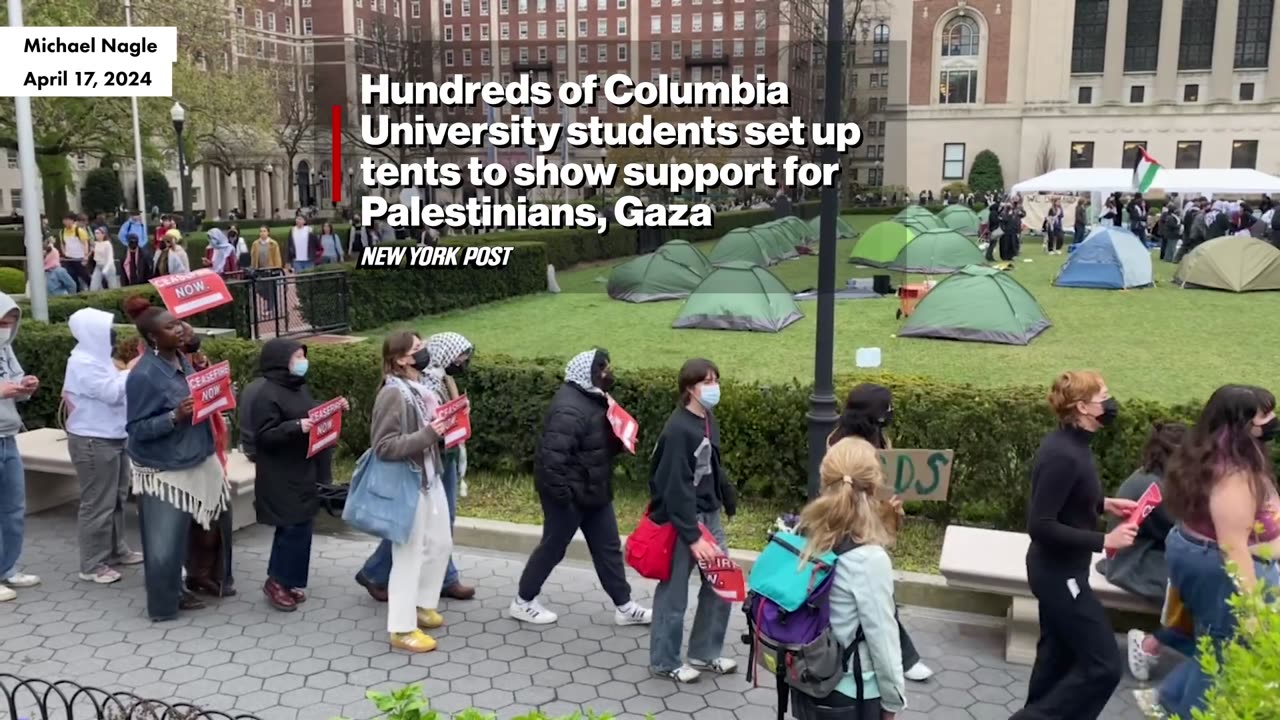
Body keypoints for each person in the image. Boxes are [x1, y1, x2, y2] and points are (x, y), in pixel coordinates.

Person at [1141, 385, 1280, 719]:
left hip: (1201, 557)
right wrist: (1252, 609)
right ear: (1241, 423)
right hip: (1222, 569)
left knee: (1213, 644)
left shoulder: (1210, 452)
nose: (1272, 421)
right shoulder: (1232, 474)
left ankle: (1165, 700)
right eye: (1265, 416)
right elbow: (1233, 546)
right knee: (1223, 656)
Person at [1010, 371, 1139, 720]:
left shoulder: (1072, 445)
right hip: (1058, 574)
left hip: (1064, 570)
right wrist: (1105, 540)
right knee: (1104, 665)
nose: (1110, 403)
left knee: (1056, 656)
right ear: (1082, 407)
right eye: (1104, 397)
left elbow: (1068, 498)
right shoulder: (1064, 454)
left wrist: (1103, 504)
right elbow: (1041, 524)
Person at [509, 349, 653, 627]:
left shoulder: (595, 399)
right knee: (553, 547)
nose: (607, 373)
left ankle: (624, 606)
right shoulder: (570, 408)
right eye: (602, 369)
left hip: (594, 490)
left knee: (608, 548)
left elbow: (593, 444)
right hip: (571, 495)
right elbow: (551, 460)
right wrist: (564, 497)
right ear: (587, 374)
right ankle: (523, 602)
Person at [122, 300, 231, 621]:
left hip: (200, 456)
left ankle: (202, 576)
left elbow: (198, 400)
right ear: (154, 338)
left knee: (213, 526)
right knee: (164, 543)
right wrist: (174, 416)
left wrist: (217, 395)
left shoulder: (185, 360)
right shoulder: (143, 376)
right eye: (171, 326)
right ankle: (167, 600)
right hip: (165, 468)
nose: (181, 328)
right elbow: (136, 429)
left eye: (180, 322)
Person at [790, 437, 906, 720]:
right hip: (851, 691)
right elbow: (883, 642)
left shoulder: (806, 533)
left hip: (806, 677)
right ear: (874, 486)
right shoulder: (869, 559)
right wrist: (893, 701)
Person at [825, 383, 934, 683]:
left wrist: (894, 499)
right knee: (877, 598)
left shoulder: (880, 438)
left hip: (877, 524)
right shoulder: (840, 444)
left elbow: (889, 476)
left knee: (872, 596)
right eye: (886, 408)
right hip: (852, 528)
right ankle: (904, 658)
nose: (890, 414)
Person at [648, 358, 737, 683]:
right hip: (682, 521)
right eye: (707, 382)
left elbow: (713, 463)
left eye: (715, 379)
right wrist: (693, 535)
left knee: (722, 584)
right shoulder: (678, 430)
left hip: (708, 514)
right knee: (674, 594)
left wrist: (726, 497)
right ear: (690, 388)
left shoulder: (707, 419)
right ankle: (664, 661)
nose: (714, 387)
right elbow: (674, 488)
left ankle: (704, 652)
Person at [371, 331, 454, 652]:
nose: (424, 353)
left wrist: (451, 424)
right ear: (401, 359)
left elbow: (430, 431)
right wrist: (429, 433)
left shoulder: (418, 389)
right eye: (417, 349)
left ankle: (422, 604)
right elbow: (384, 446)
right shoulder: (393, 394)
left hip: (430, 478)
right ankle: (401, 628)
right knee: (407, 556)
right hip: (408, 484)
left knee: (440, 543)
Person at [1093, 421, 1190, 681]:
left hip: (1140, 554)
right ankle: (1147, 645)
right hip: (1133, 562)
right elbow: (1182, 532)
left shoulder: (1155, 477)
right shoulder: (1156, 488)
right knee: (1194, 590)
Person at [249, 338, 333, 612]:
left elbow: (309, 410)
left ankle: (288, 580)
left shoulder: (298, 387)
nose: (301, 362)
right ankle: (277, 582)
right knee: (291, 526)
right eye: (296, 357)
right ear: (279, 361)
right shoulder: (267, 394)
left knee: (302, 525)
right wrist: (296, 427)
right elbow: (264, 436)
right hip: (280, 473)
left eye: (302, 356)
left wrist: (330, 410)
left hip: (302, 468)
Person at [63, 308, 144, 585]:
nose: (112, 336)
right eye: (106, 331)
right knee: (98, 503)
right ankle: (92, 564)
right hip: (92, 440)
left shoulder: (100, 359)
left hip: (114, 435)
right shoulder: (82, 362)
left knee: (117, 498)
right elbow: (110, 393)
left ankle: (115, 549)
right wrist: (131, 371)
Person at [0, 294, 40, 602]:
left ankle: (7, 567)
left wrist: (24, 386)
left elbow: (13, 385)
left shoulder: (6, 349)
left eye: (11, 323)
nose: (6, 328)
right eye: (2, 323)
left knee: (14, 508)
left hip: (8, 435)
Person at [60, 213, 91, 291]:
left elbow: (85, 243)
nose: (66, 222)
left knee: (84, 276)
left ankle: (91, 288)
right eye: (64, 220)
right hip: (69, 258)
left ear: (72, 221)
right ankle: (76, 292)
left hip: (79, 258)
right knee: (72, 276)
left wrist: (85, 256)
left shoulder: (79, 231)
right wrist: (64, 252)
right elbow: (62, 243)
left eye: (68, 220)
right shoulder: (62, 232)